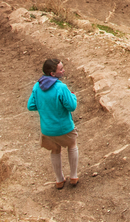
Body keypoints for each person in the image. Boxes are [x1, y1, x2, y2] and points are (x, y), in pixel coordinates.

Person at [27, 58, 79, 189]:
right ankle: (73, 176)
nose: (63, 71)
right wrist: (73, 96)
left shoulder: (37, 86)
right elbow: (71, 106)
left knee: (55, 150)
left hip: (47, 130)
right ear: (52, 73)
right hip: (64, 128)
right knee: (72, 145)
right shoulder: (61, 87)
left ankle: (59, 180)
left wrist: (44, 107)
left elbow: (31, 105)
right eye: (61, 69)